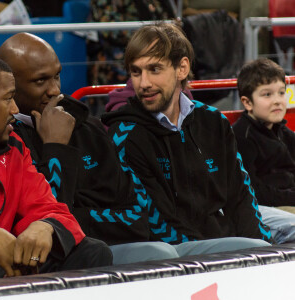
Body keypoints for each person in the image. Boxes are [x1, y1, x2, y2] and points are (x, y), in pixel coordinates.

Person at [0, 32, 204, 265]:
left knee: (162, 254)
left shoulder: (89, 127)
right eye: (40, 81)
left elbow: (137, 217)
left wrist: (78, 215)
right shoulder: (10, 140)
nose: (55, 90)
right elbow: (48, 220)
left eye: (57, 76)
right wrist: (56, 147)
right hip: (62, 259)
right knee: (158, 255)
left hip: (105, 247)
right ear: (11, 85)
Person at [101, 22, 273, 255]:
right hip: (176, 250)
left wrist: (265, 250)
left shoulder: (213, 120)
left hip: (223, 233)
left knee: (279, 237)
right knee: (256, 247)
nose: (143, 83)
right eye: (136, 72)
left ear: (182, 68)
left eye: (154, 69)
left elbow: (240, 194)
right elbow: (154, 222)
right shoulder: (126, 134)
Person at [0, 56, 112, 278]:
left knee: (92, 252)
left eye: (57, 77)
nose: (15, 108)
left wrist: (45, 226)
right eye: (8, 98)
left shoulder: (14, 148)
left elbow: (51, 207)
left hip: (9, 263)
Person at [232, 58, 295, 243]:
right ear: (247, 102)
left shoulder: (284, 133)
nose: (277, 101)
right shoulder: (242, 136)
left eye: (281, 93)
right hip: (268, 207)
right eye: (267, 95)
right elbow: (253, 190)